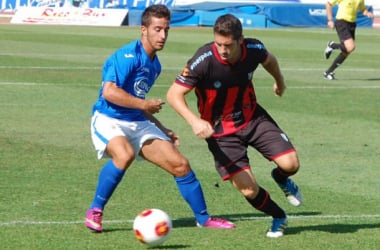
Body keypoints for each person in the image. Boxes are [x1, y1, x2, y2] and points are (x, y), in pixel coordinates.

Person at [85, 4, 235, 233]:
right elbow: (110, 92)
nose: (163, 35)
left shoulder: (154, 64)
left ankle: (204, 218)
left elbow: (136, 102)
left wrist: (162, 128)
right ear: (143, 30)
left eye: (166, 30)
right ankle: (95, 209)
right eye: (157, 29)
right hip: (109, 118)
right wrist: (144, 104)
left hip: (137, 120)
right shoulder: (127, 56)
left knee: (180, 165)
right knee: (124, 154)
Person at [166, 14, 302, 238]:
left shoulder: (254, 48)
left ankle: (281, 178)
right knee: (248, 189)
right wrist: (194, 121)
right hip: (221, 134)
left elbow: (270, 60)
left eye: (228, 45)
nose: (222, 50)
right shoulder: (203, 60)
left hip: (252, 118)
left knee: (291, 164)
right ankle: (279, 216)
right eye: (218, 43)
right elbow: (173, 94)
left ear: (240, 40)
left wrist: (279, 81)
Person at [323, 0, 373, 80]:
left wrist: (367, 13)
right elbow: (328, 4)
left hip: (352, 24)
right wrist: (330, 20)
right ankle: (332, 45)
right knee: (351, 47)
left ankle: (328, 72)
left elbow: (362, 8)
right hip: (341, 22)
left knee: (347, 51)